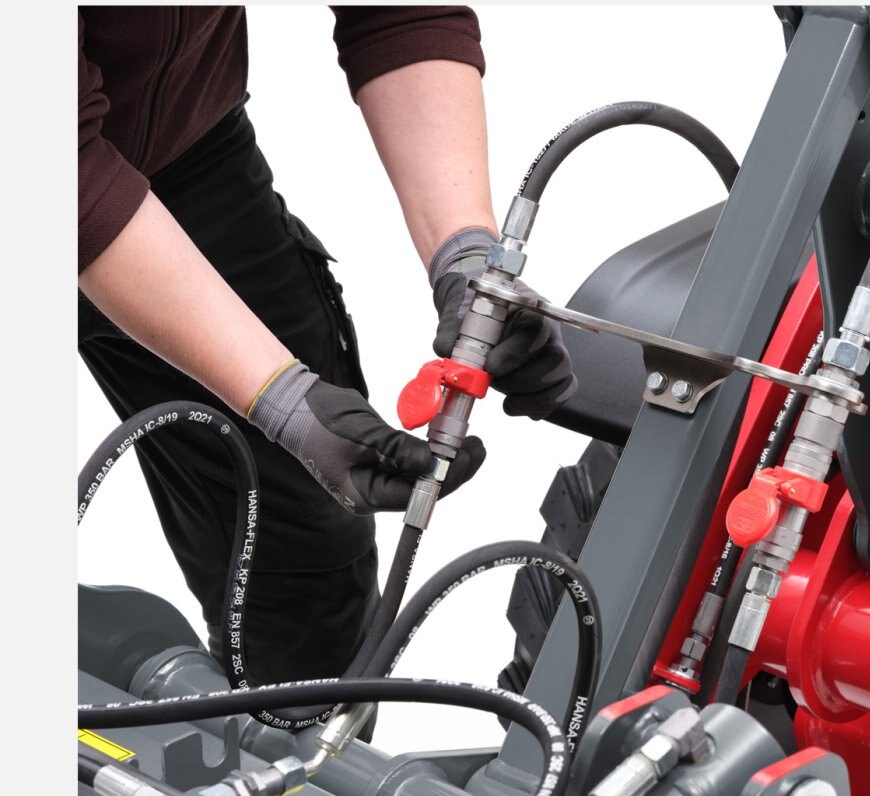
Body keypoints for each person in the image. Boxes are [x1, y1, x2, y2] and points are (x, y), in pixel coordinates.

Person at [78, 7, 576, 686]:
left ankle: (281, 743)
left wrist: (465, 256)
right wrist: (283, 400)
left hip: (186, 156)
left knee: (308, 539)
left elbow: (396, 15)